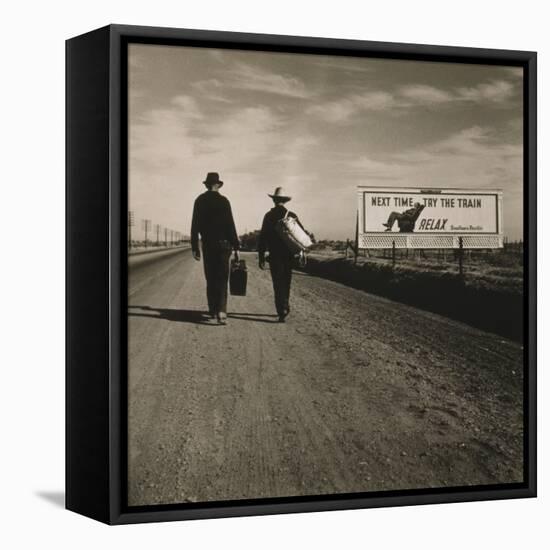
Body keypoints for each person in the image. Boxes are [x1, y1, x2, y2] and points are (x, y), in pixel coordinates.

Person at [191, 172, 240, 325]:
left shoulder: (200, 200)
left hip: (209, 245)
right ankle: (222, 311)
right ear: (218, 185)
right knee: (222, 278)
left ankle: (212, 310)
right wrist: (236, 246)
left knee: (211, 278)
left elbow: (195, 226)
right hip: (224, 245)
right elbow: (230, 225)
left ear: (206, 185)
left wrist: (195, 247)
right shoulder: (224, 201)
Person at [258, 187, 307, 323]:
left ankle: (281, 310)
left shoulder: (268, 216)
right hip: (289, 255)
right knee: (286, 281)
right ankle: (285, 304)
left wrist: (261, 257)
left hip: (275, 255)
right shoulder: (291, 215)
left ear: (274, 200)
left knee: (277, 283)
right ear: (285, 201)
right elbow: (301, 234)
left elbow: (263, 237)